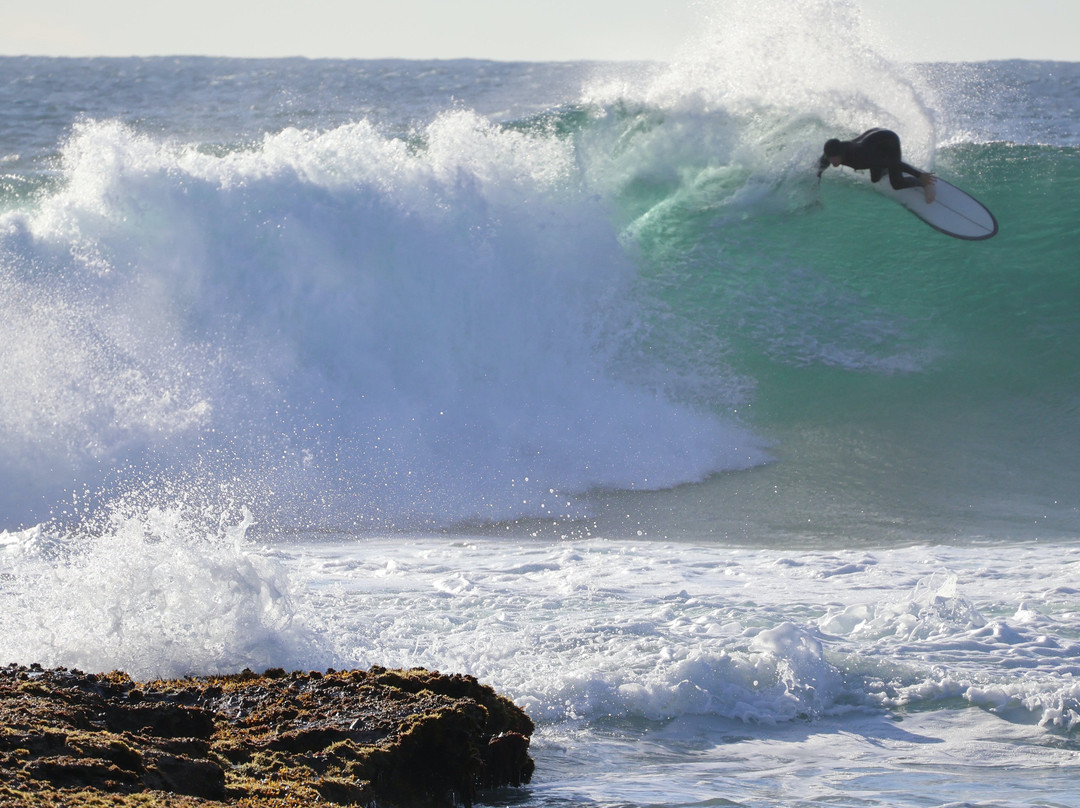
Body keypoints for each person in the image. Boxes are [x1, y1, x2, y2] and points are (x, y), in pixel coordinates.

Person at [817, 128, 936, 203]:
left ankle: (924, 184)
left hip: (888, 140)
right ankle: (885, 165)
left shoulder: (860, 156)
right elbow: (817, 172)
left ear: (841, 154)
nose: (833, 162)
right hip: (872, 141)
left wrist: (920, 175)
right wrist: (815, 195)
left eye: (835, 158)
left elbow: (893, 163)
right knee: (875, 179)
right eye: (830, 159)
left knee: (896, 183)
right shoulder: (829, 155)